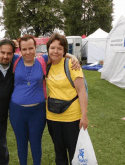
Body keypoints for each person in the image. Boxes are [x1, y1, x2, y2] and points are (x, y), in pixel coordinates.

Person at [0, 35, 80, 165]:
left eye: (31, 48)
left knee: (36, 143)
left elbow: (58, 53)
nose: (28, 52)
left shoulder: (43, 60)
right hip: (17, 111)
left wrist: (73, 57)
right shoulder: (15, 59)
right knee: (21, 144)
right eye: (24, 49)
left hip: (38, 111)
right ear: (20, 50)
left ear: (35, 48)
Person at [46, 33, 88, 165]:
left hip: (72, 117)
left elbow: (81, 90)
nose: (55, 51)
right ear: (48, 49)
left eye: (60, 48)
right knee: (59, 153)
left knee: (74, 153)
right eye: (52, 48)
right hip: (52, 117)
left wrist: (84, 116)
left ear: (64, 50)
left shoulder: (71, 65)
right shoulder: (46, 64)